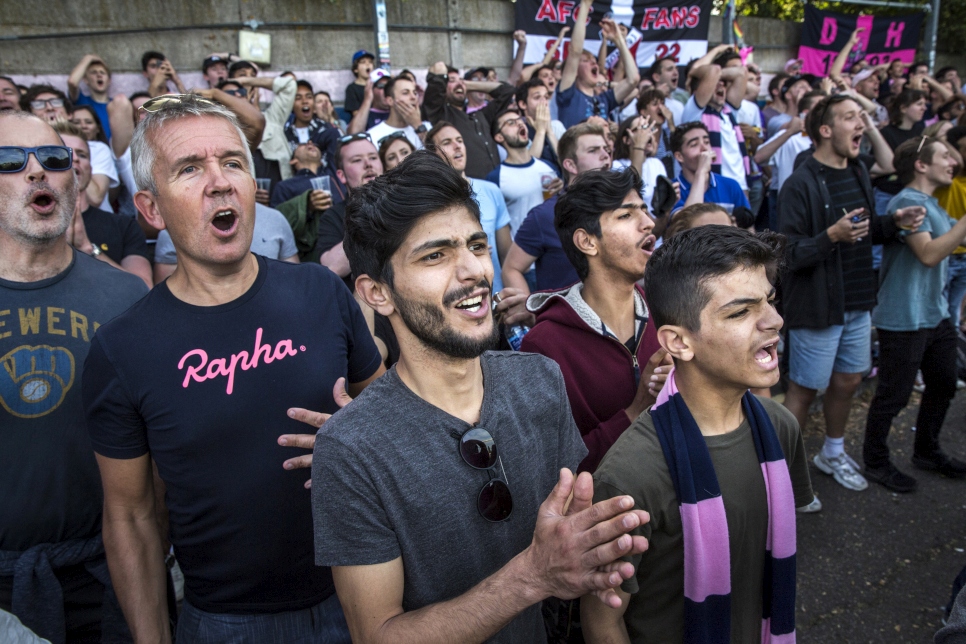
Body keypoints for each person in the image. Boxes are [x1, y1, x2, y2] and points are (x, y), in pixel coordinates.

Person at [312, 150, 649, 643]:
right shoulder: (350, 448)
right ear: (376, 292)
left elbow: (572, 536)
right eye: (435, 255)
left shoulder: (539, 379)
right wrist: (532, 576)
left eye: (475, 245)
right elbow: (377, 635)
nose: (473, 270)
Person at [83, 94, 385, 643]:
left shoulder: (319, 290)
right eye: (190, 168)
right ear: (150, 210)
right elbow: (132, 517)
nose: (219, 182)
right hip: (226, 623)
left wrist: (356, 437)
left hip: (368, 592)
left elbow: (389, 407)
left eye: (232, 162)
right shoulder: (123, 348)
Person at [581, 225, 814, 644]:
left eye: (770, 301)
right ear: (678, 342)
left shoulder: (781, 427)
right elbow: (603, 621)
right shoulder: (629, 476)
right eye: (741, 312)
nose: (775, 321)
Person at [0, 110, 148, 644]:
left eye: (55, 158)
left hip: (105, 576)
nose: (37, 171)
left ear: (75, 177)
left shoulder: (127, 299)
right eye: (10, 162)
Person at [780, 95, 924, 494]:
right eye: (850, 117)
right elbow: (787, 253)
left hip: (858, 301)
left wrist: (893, 222)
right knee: (804, 390)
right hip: (818, 306)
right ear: (825, 130)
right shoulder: (800, 183)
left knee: (847, 382)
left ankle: (832, 452)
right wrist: (831, 236)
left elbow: (865, 230)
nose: (861, 122)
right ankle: (780, 476)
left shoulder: (859, 169)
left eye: (861, 116)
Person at [520, 167, 664, 475]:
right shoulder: (544, 346)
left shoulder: (665, 310)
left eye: (644, 210)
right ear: (587, 242)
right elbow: (553, 469)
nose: (649, 223)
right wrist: (635, 412)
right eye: (626, 216)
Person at [863, 136, 966, 491]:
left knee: (943, 383)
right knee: (894, 395)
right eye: (944, 157)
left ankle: (926, 451)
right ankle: (875, 462)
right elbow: (929, 253)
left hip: (934, 314)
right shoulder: (907, 201)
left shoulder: (932, 203)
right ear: (921, 165)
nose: (952, 162)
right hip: (904, 316)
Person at [502, 122, 612, 295]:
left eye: (606, 149)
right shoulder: (545, 215)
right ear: (571, 165)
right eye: (593, 150)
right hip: (566, 320)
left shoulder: (619, 205)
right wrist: (528, 308)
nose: (605, 155)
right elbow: (511, 268)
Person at [53, 120, 152, 288]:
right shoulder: (24, 224)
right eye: (65, 153)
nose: (74, 158)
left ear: (90, 168)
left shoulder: (123, 226)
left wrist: (88, 249)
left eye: (82, 154)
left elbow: (144, 288)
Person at [428, 122, 512, 292]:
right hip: (460, 297)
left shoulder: (491, 190)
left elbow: (507, 256)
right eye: (447, 143)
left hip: (497, 298)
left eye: (459, 140)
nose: (457, 145)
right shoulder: (430, 201)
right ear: (433, 156)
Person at [422, 61, 517, 179]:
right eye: (452, 80)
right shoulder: (442, 115)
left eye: (461, 80)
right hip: (469, 189)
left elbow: (507, 91)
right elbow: (438, 70)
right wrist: (449, 80)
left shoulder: (481, 115)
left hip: (495, 188)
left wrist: (468, 85)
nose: (459, 83)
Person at [556, 0, 639, 128]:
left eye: (594, 61)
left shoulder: (605, 99)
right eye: (585, 61)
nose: (593, 63)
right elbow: (574, 52)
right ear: (575, 71)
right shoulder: (568, 95)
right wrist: (585, 6)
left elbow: (633, 80)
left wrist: (619, 41)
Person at [316, 134, 385, 283]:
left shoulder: (403, 202)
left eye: (373, 157)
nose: (368, 164)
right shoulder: (332, 216)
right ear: (341, 176)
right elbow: (332, 267)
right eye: (357, 160)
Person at [681, 49, 751, 195]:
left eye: (723, 83)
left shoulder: (728, 110)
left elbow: (742, 73)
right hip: (713, 185)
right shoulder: (695, 111)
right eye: (714, 84)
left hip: (741, 185)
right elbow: (714, 70)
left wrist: (695, 72)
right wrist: (719, 49)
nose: (720, 86)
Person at [485, 108, 559, 236]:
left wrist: (561, 192)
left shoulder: (548, 167)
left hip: (554, 243)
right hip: (522, 250)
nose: (520, 124)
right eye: (511, 123)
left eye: (520, 120)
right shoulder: (495, 178)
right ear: (499, 136)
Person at [671, 121, 750, 213]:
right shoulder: (673, 190)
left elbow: (748, 226)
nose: (704, 148)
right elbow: (688, 224)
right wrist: (701, 172)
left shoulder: (731, 185)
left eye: (707, 142)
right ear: (679, 156)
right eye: (694, 145)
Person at [935, 125, 966, 330]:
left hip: (964, 256)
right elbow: (958, 162)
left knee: (954, 316)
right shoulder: (948, 179)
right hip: (945, 256)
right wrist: (942, 139)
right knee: (940, 316)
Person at [612, 114, 666, 207]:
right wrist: (639, 146)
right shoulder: (616, 165)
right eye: (642, 128)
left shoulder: (657, 163)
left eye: (650, 129)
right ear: (627, 139)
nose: (648, 134)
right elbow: (632, 190)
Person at [513, 78, 565, 175]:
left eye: (546, 97)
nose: (544, 102)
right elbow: (529, 167)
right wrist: (540, 131)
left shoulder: (557, 126)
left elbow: (567, 162)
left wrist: (549, 132)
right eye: (537, 98)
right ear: (523, 104)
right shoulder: (518, 130)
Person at [366, 76, 428, 149]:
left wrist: (419, 126)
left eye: (415, 93)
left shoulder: (428, 128)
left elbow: (438, 155)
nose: (413, 97)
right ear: (390, 101)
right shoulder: (372, 136)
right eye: (405, 93)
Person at [67, 54, 113, 141]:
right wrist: (89, 58)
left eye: (102, 72)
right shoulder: (81, 101)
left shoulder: (117, 105)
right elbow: (72, 82)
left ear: (109, 80)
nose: (99, 75)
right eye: (94, 72)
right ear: (85, 80)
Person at [344, 50, 376, 116]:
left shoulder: (377, 85)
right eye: (363, 62)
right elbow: (356, 113)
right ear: (356, 69)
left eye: (370, 62)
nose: (368, 64)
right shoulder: (352, 89)